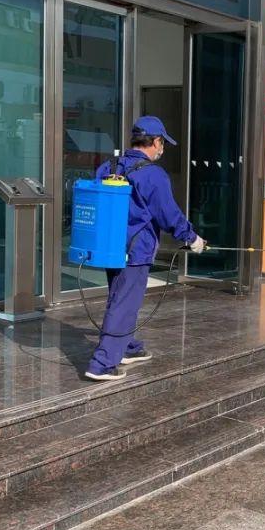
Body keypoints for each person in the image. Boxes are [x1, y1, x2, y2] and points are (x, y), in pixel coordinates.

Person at [85, 116, 205, 381]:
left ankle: (126, 346)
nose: (162, 148)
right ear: (156, 141)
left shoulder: (108, 166)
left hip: (110, 246)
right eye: (163, 143)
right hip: (136, 250)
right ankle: (102, 363)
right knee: (125, 302)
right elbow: (168, 214)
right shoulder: (153, 174)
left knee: (120, 296)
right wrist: (192, 238)